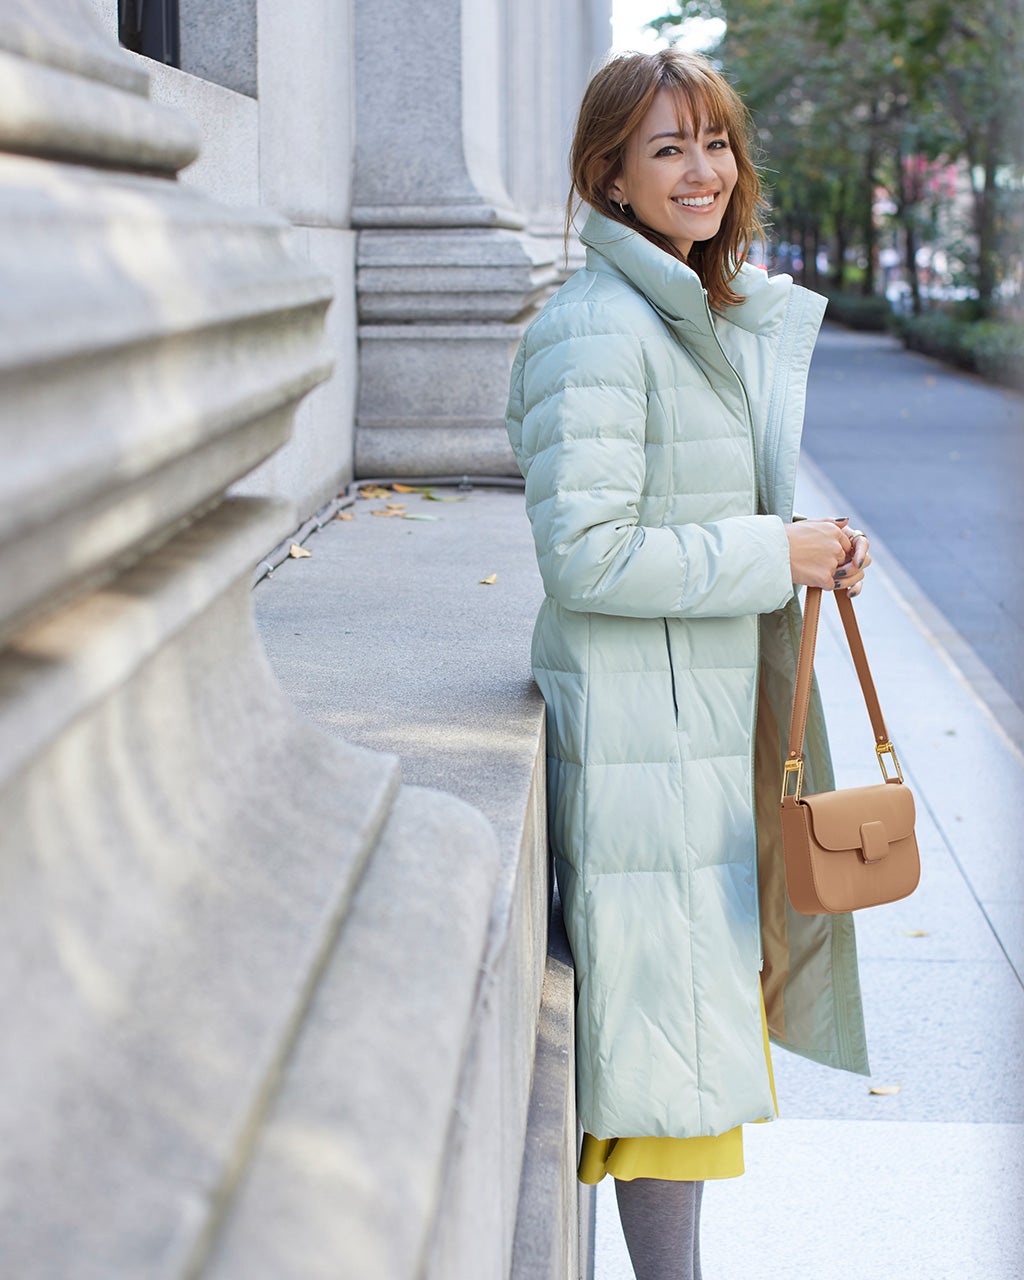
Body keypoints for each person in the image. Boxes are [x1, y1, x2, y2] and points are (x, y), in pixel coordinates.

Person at [505, 49, 873, 1280]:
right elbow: (588, 555)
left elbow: (691, 507)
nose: (701, 170)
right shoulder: (598, 328)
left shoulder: (688, 310)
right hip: (642, 747)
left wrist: (806, 552)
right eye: (665, 149)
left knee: (686, 1057)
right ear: (607, 178)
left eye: (712, 142)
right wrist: (777, 548)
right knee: (666, 1072)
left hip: (695, 727)